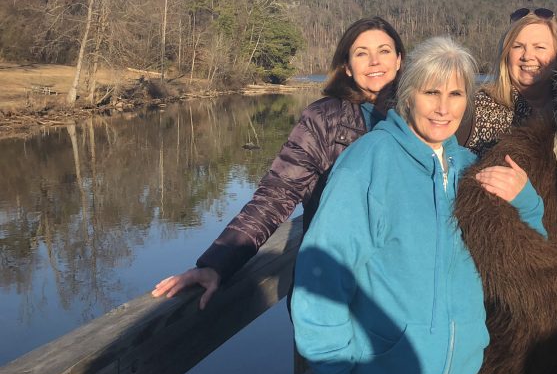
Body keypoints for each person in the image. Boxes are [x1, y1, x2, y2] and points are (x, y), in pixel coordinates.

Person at [291, 36, 546, 374]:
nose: (443, 108)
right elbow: (323, 276)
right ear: (409, 95)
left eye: (456, 95)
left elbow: (525, 257)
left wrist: (526, 201)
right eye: (431, 93)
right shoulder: (368, 164)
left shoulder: (470, 170)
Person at [151, 16, 405, 309]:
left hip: (401, 288)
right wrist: (216, 264)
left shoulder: (422, 118)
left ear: (399, 60)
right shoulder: (324, 120)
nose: (375, 61)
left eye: (384, 51)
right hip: (334, 289)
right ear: (347, 66)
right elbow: (277, 195)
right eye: (362, 53)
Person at [460, 6, 557, 155]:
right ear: (506, 55)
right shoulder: (473, 110)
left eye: (539, 47)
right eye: (518, 46)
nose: (527, 56)